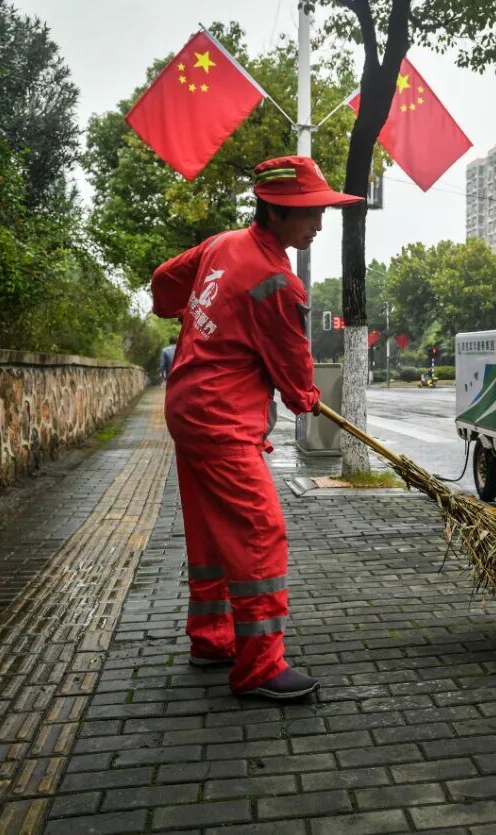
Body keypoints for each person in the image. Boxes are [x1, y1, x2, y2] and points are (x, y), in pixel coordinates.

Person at [151, 156, 362, 700]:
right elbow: (294, 371)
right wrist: (306, 398)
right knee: (257, 530)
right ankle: (260, 668)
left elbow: (164, 285)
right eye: (310, 213)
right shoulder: (276, 283)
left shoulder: (223, 244)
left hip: (187, 405)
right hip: (220, 419)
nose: (318, 223)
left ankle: (212, 638)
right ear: (277, 212)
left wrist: (185, 311)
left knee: (209, 530)